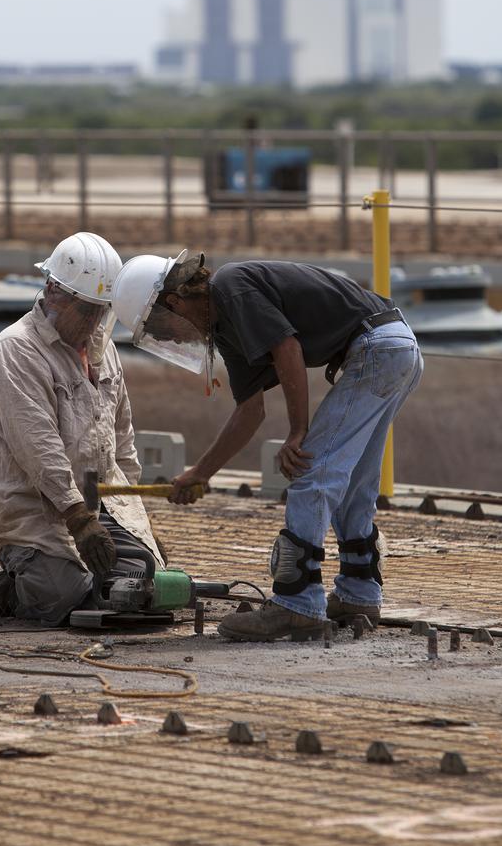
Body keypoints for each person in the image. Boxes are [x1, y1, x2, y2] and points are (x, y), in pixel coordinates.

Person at [111, 253, 423, 642]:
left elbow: (287, 348)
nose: (171, 338)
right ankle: (359, 594)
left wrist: (298, 432)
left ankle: (297, 605)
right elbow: (250, 411)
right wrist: (200, 473)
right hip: (394, 346)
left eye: (160, 327)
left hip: (378, 348)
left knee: (311, 468)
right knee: (355, 479)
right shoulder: (226, 327)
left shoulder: (230, 286)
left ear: (173, 302)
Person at [0, 231, 164, 625]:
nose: (96, 322)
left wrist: (138, 521)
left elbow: (122, 439)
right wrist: (79, 519)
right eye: (87, 311)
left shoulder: (103, 349)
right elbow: (38, 447)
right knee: (68, 597)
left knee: (144, 584)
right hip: (31, 508)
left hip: (98, 505)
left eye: (102, 311)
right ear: (54, 292)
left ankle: (68, 571)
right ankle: (11, 590)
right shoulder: (16, 350)